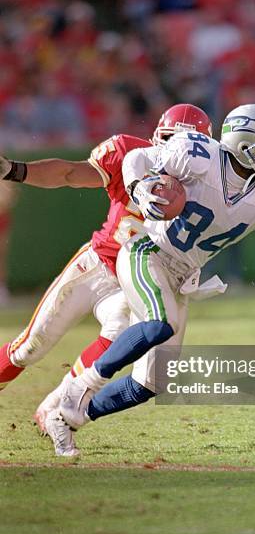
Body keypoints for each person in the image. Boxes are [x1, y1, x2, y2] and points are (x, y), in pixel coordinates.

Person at [44, 103, 255, 456]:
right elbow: (136, 160)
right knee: (159, 324)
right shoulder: (198, 153)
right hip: (147, 252)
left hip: (182, 275)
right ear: (244, 145)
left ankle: (69, 418)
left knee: (151, 383)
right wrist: (140, 189)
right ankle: (80, 387)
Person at [0, 104, 213, 435]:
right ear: (159, 137)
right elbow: (70, 174)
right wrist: (16, 170)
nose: (180, 155)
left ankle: (54, 406)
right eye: (173, 142)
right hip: (98, 263)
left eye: (191, 147)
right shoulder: (132, 153)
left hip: (136, 279)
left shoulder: (208, 189)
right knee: (31, 346)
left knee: (117, 333)